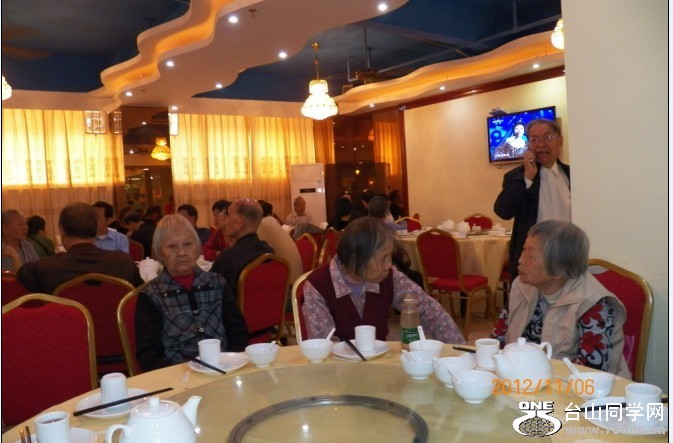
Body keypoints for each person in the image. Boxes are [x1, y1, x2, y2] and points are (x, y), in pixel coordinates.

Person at [490, 220, 629, 377]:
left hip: (573, 389)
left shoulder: (594, 304)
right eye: (524, 249)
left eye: (531, 255)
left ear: (558, 270)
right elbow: (497, 340)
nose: (521, 260)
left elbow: (590, 374)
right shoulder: (521, 286)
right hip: (521, 382)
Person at [302, 217, 465, 344]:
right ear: (355, 258)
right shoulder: (318, 286)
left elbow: (431, 312)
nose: (389, 265)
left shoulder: (390, 277)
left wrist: (460, 352)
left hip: (379, 365)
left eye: (390, 257)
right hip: (337, 371)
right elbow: (323, 345)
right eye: (383, 258)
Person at [134, 214, 249, 371]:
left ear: (198, 248)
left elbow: (238, 333)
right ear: (159, 252)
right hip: (176, 373)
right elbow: (149, 355)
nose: (181, 252)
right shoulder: (152, 294)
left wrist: (230, 362)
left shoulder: (217, 283)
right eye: (172, 246)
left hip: (223, 367)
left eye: (188, 244)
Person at [494, 118, 570, 279]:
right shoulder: (516, 177)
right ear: (528, 145)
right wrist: (527, 178)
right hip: (534, 261)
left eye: (548, 137)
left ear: (560, 141)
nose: (541, 144)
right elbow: (503, 211)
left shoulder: (573, 175)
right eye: (534, 139)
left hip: (570, 255)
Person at [17, 203, 142, 293]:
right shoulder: (124, 263)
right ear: (95, 230)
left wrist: (14, 256)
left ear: (62, 230)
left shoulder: (44, 268)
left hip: (65, 322)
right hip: (116, 323)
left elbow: (20, 281)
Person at [210, 198, 274, 295]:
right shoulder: (269, 251)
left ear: (240, 221)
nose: (226, 221)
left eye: (228, 216)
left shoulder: (227, 258)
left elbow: (210, 291)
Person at [257, 200, 303, 283]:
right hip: (295, 276)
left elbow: (253, 250)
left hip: (287, 282)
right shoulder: (273, 221)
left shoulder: (262, 224)